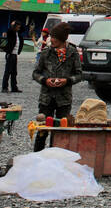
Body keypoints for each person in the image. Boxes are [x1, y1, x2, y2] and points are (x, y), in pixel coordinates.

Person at [31, 21, 83, 151]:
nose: (51, 39)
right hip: (46, 98)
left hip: (64, 99)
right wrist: (44, 80)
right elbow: (35, 73)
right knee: (42, 131)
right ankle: (38, 158)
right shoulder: (46, 53)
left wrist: (67, 81)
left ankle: (58, 161)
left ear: (61, 39)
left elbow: (79, 75)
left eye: (54, 37)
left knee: (61, 132)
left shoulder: (72, 53)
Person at [0, 20, 22, 93]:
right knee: (7, 72)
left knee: (14, 72)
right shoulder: (11, 32)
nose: (19, 28)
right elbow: (9, 30)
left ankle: (14, 87)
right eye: (17, 27)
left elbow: (24, 29)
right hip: (10, 54)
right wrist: (12, 25)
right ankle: (4, 87)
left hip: (15, 54)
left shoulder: (18, 33)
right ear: (14, 27)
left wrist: (18, 23)